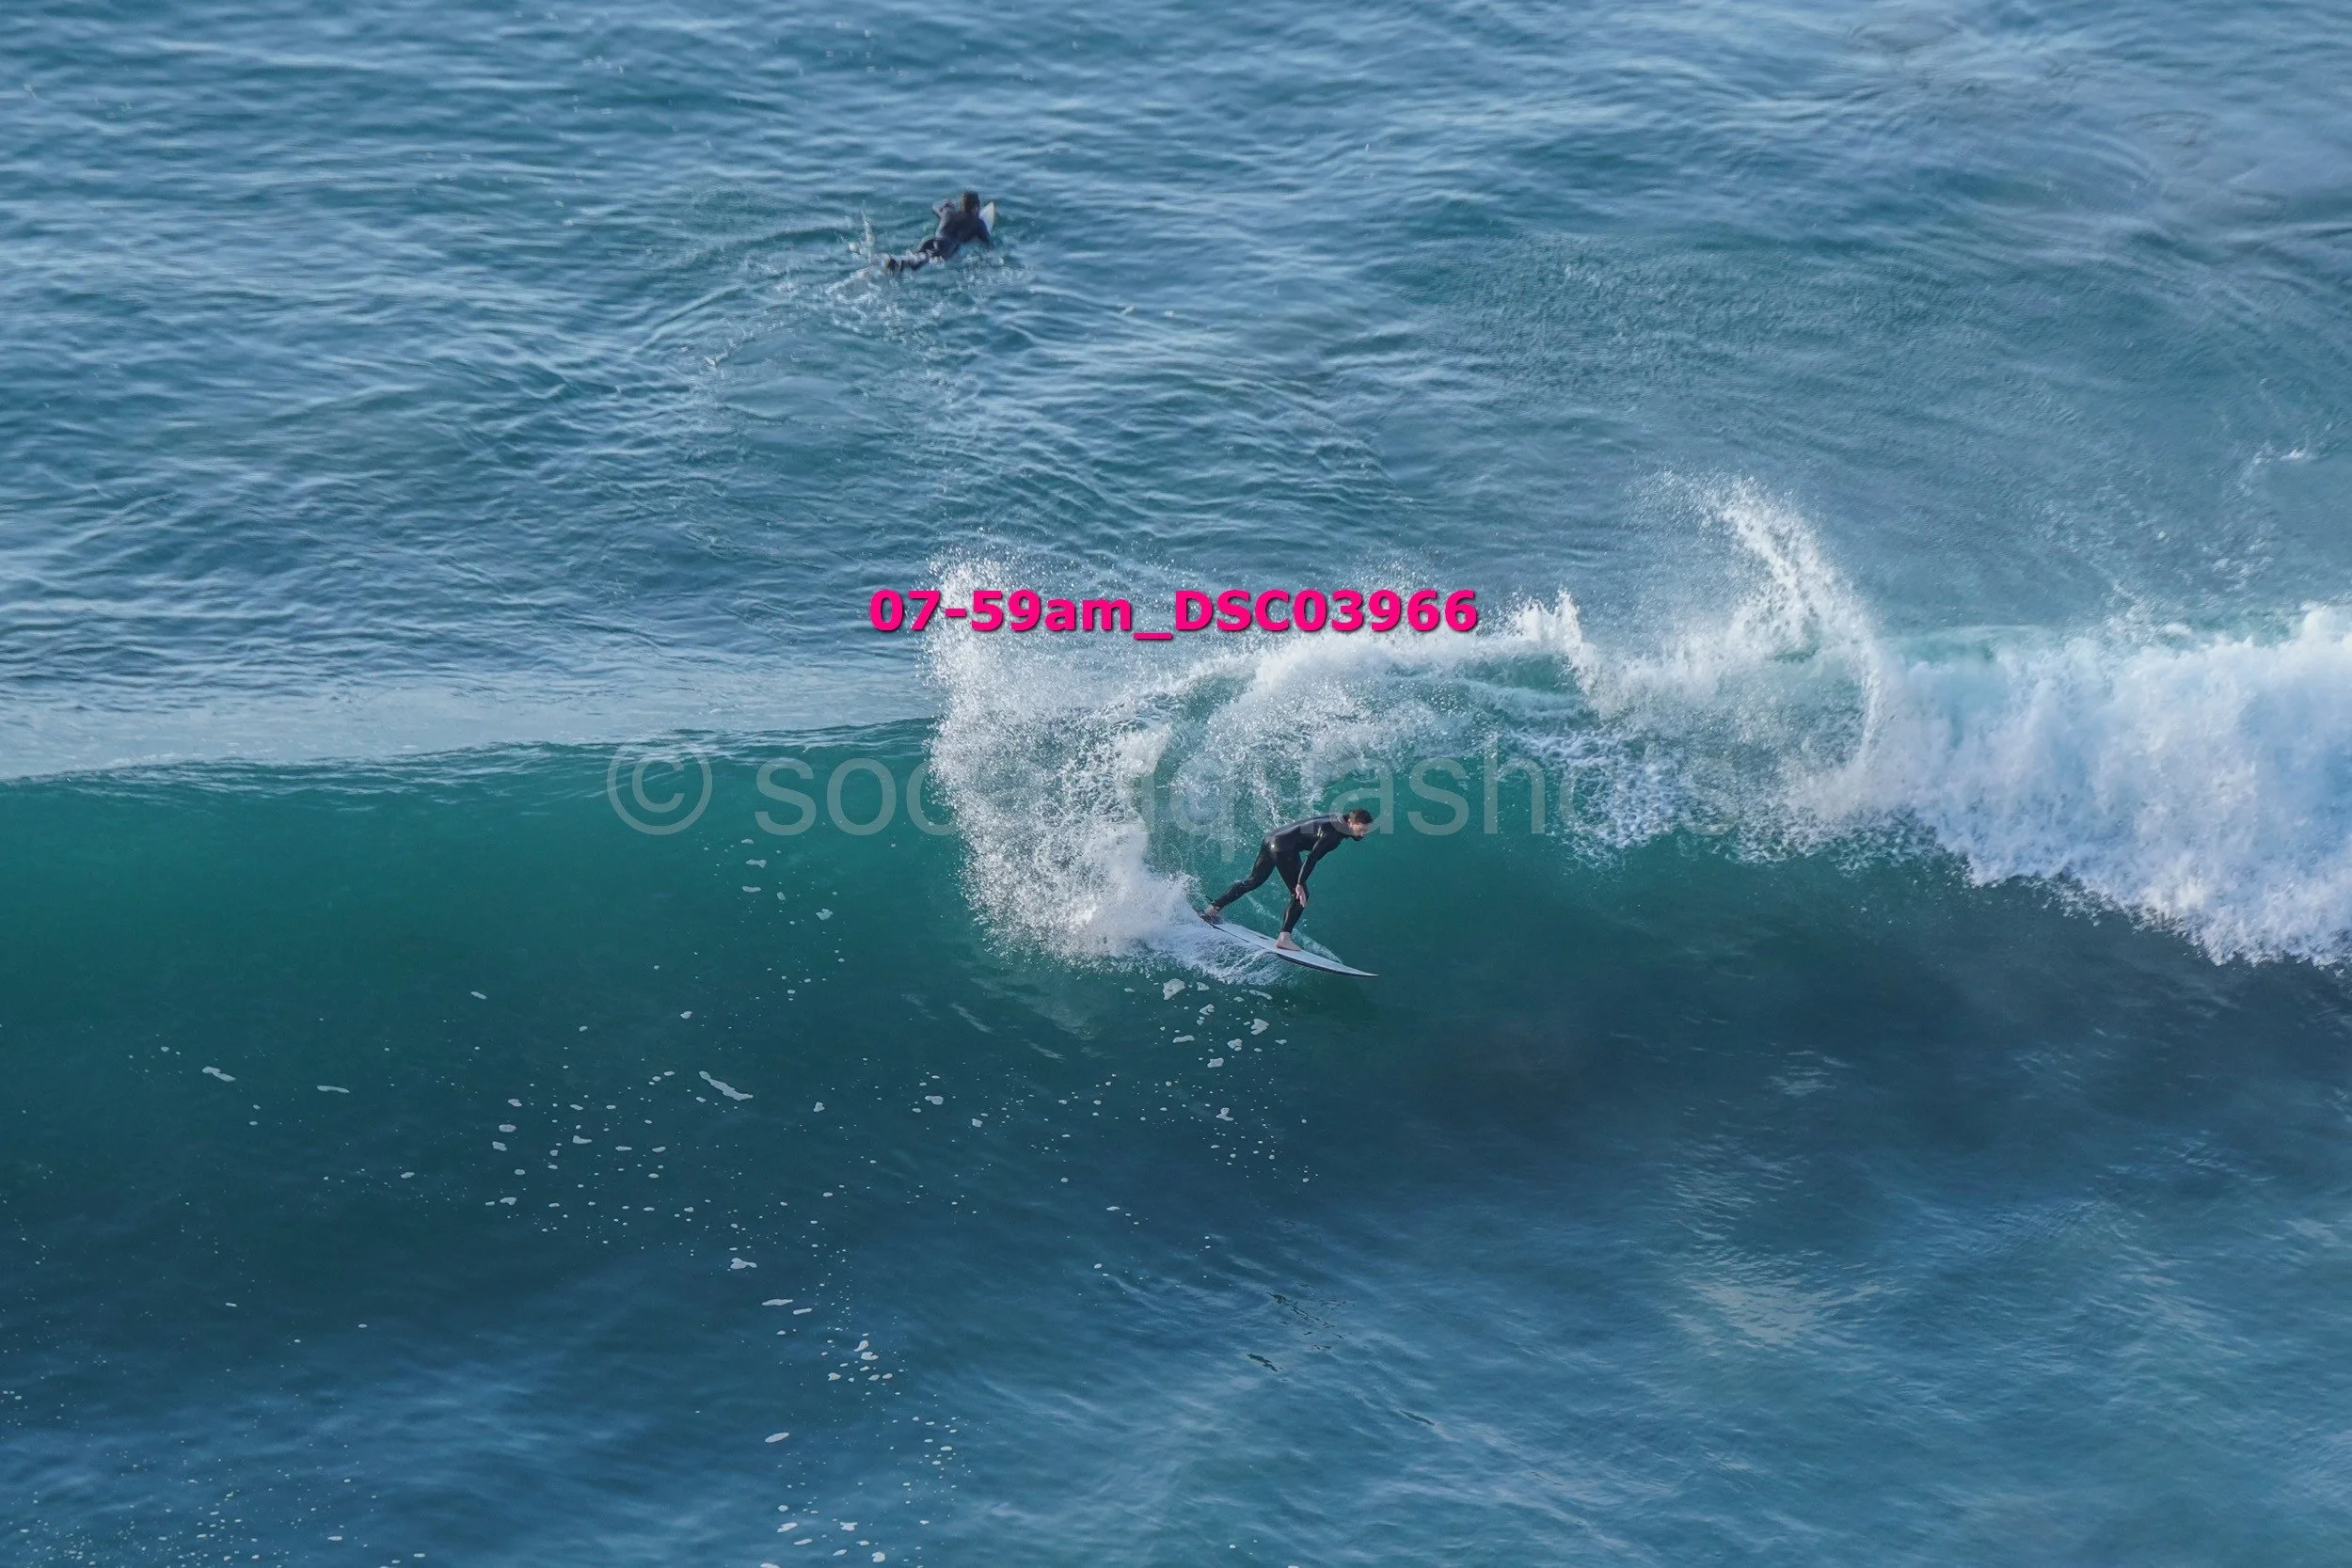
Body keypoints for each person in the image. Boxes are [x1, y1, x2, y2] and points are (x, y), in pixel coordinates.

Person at [1200, 808, 1375, 950]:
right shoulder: (1334, 836)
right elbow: (1312, 857)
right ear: (1351, 822)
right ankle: (1284, 938)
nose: (1362, 835)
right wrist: (1299, 883)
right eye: (1361, 830)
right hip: (1284, 848)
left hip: (1272, 838)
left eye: (1366, 831)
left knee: (1254, 880)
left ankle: (1212, 909)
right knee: (1300, 895)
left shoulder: (1338, 817)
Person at [881, 191, 991, 274]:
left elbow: (936, 209)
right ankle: (901, 264)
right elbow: (987, 243)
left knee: (917, 255)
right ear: (975, 207)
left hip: (931, 240)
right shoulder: (977, 222)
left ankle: (896, 261)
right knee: (925, 260)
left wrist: (946, 205)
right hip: (946, 246)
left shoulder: (949, 212)